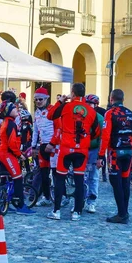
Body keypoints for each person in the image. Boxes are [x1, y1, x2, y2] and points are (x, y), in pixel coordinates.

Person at [47, 83, 100, 221]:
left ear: (72, 93)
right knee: (79, 180)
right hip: (82, 149)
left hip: (66, 148)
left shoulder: (65, 106)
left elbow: (50, 115)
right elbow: (96, 132)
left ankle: (56, 211)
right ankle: (77, 212)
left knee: (60, 179)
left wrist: (60, 101)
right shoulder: (91, 110)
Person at [97, 89, 132, 223]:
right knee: (125, 181)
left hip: (115, 152)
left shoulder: (110, 113)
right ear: (123, 99)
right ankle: (124, 212)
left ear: (111, 99)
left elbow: (106, 136)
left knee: (116, 182)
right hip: (129, 151)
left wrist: (100, 155)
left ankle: (121, 214)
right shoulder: (130, 113)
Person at [0, 101, 35, 215]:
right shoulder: (11, 124)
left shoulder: (5, 122)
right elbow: (12, 143)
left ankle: (4, 203)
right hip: (7, 154)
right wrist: (19, 155)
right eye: (13, 108)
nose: (16, 109)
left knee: (5, 177)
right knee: (18, 178)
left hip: (0, 153)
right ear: (8, 111)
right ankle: (21, 206)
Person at [31, 88, 54, 206]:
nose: (38, 101)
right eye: (36, 100)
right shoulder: (37, 112)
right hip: (43, 145)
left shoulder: (53, 109)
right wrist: (33, 146)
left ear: (46, 99)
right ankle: (46, 197)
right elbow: (35, 130)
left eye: (41, 99)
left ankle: (62, 196)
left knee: (56, 173)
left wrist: (55, 143)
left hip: (54, 145)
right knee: (44, 174)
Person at [84, 94, 104, 213]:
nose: (88, 106)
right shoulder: (81, 116)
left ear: (95, 105)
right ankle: (79, 200)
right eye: (86, 103)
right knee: (79, 176)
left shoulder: (100, 119)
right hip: (81, 149)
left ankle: (92, 201)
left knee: (93, 176)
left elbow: (102, 138)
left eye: (90, 104)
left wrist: (100, 156)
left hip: (94, 149)